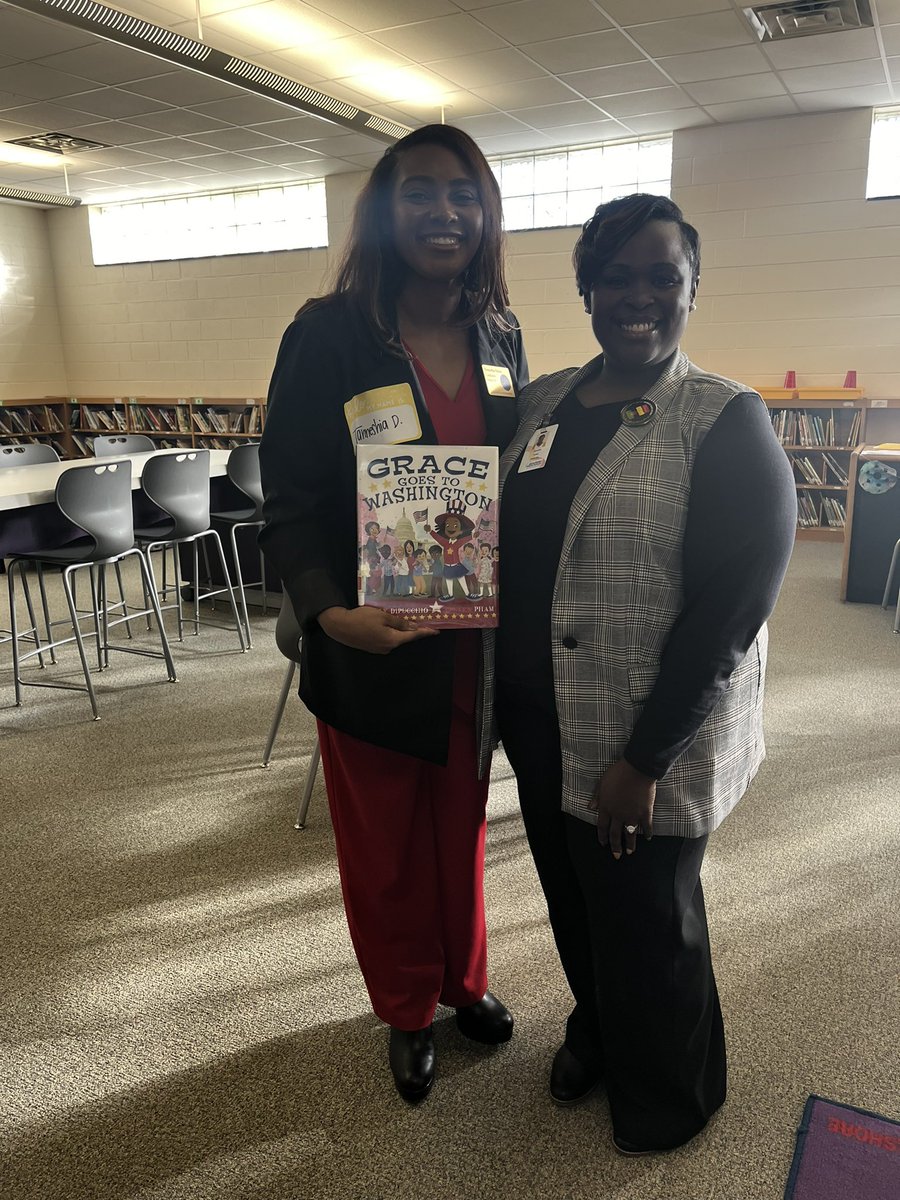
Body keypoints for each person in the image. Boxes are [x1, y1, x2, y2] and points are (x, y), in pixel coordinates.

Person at [485, 194, 796, 1155]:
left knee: (650, 918)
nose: (638, 296)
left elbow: (729, 613)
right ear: (587, 289)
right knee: (573, 897)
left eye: (663, 277)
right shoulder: (539, 403)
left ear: (693, 288)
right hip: (539, 714)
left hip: (645, 732)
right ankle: (597, 1028)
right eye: (616, 276)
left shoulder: (724, 418)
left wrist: (646, 757)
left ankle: (672, 1094)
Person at [259, 123, 528, 1104]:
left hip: (473, 646)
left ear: (485, 214)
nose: (444, 213)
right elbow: (288, 503)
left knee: (462, 826)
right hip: (370, 646)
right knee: (385, 846)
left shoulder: (501, 335)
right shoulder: (327, 335)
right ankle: (409, 1007)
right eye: (420, 193)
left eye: (463, 194)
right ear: (385, 209)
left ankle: (465, 982)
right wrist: (329, 616)